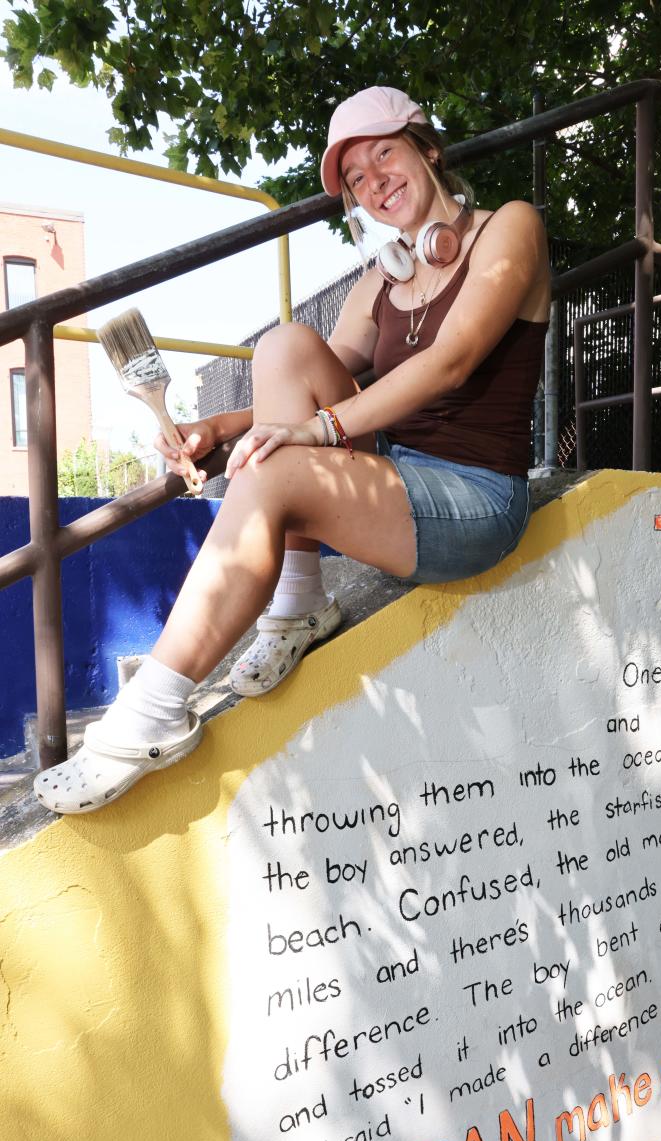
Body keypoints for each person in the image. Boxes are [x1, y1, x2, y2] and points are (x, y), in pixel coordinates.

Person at [33, 85, 551, 814]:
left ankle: (152, 711)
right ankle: (299, 595)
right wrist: (222, 430)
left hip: (477, 499)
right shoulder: (382, 279)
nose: (377, 182)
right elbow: (311, 379)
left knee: (276, 476)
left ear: (427, 149)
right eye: (358, 180)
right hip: (396, 479)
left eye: (385, 155)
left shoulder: (509, 229)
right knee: (283, 346)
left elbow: (454, 360)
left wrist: (319, 432)